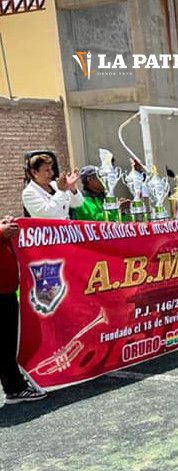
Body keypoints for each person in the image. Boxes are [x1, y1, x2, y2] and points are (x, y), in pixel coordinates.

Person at [1, 216, 47, 405]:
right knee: (4, 343)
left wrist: (5, 223)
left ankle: (14, 386)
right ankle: (14, 387)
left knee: (7, 343)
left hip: (5, 288)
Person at [22, 154, 82, 219]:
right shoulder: (28, 193)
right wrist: (61, 191)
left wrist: (71, 187)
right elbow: (48, 213)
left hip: (64, 227)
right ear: (34, 173)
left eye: (51, 169)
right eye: (47, 170)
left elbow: (78, 203)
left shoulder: (55, 185)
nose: (52, 173)